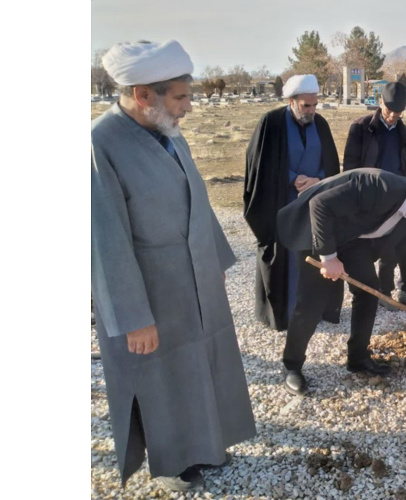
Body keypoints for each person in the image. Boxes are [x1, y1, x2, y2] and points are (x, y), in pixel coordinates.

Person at [91, 40, 256, 491]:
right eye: (180, 97)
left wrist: (214, 257)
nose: (188, 106)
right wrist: (132, 318)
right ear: (144, 94)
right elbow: (103, 241)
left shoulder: (166, 130)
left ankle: (209, 443)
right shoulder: (99, 144)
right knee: (165, 378)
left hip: (197, 278)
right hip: (153, 291)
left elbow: (197, 199)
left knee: (204, 364)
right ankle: (176, 464)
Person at [276, 169, 406, 396]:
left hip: (353, 238)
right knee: (312, 302)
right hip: (318, 230)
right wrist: (329, 257)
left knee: (369, 291)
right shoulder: (377, 185)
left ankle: (358, 357)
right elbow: (320, 204)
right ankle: (292, 365)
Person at [243, 74, 342, 332]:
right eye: (305, 105)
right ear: (291, 101)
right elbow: (260, 165)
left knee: (311, 255)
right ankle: (285, 313)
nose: (311, 110)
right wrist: (291, 178)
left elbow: (331, 163)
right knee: (285, 258)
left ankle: (313, 310)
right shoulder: (271, 123)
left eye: (314, 105)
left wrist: (318, 179)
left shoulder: (320, 124)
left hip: (314, 204)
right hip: (281, 203)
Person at [342, 82, 406, 307]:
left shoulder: (405, 134)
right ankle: (360, 291)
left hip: (393, 201)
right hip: (365, 199)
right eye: (389, 109)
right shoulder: (361, 128)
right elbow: (350, 168)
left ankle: (385, 290)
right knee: (361, 246)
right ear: (380, 102)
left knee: (389, 249)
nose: (393, 115)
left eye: (398, 111)